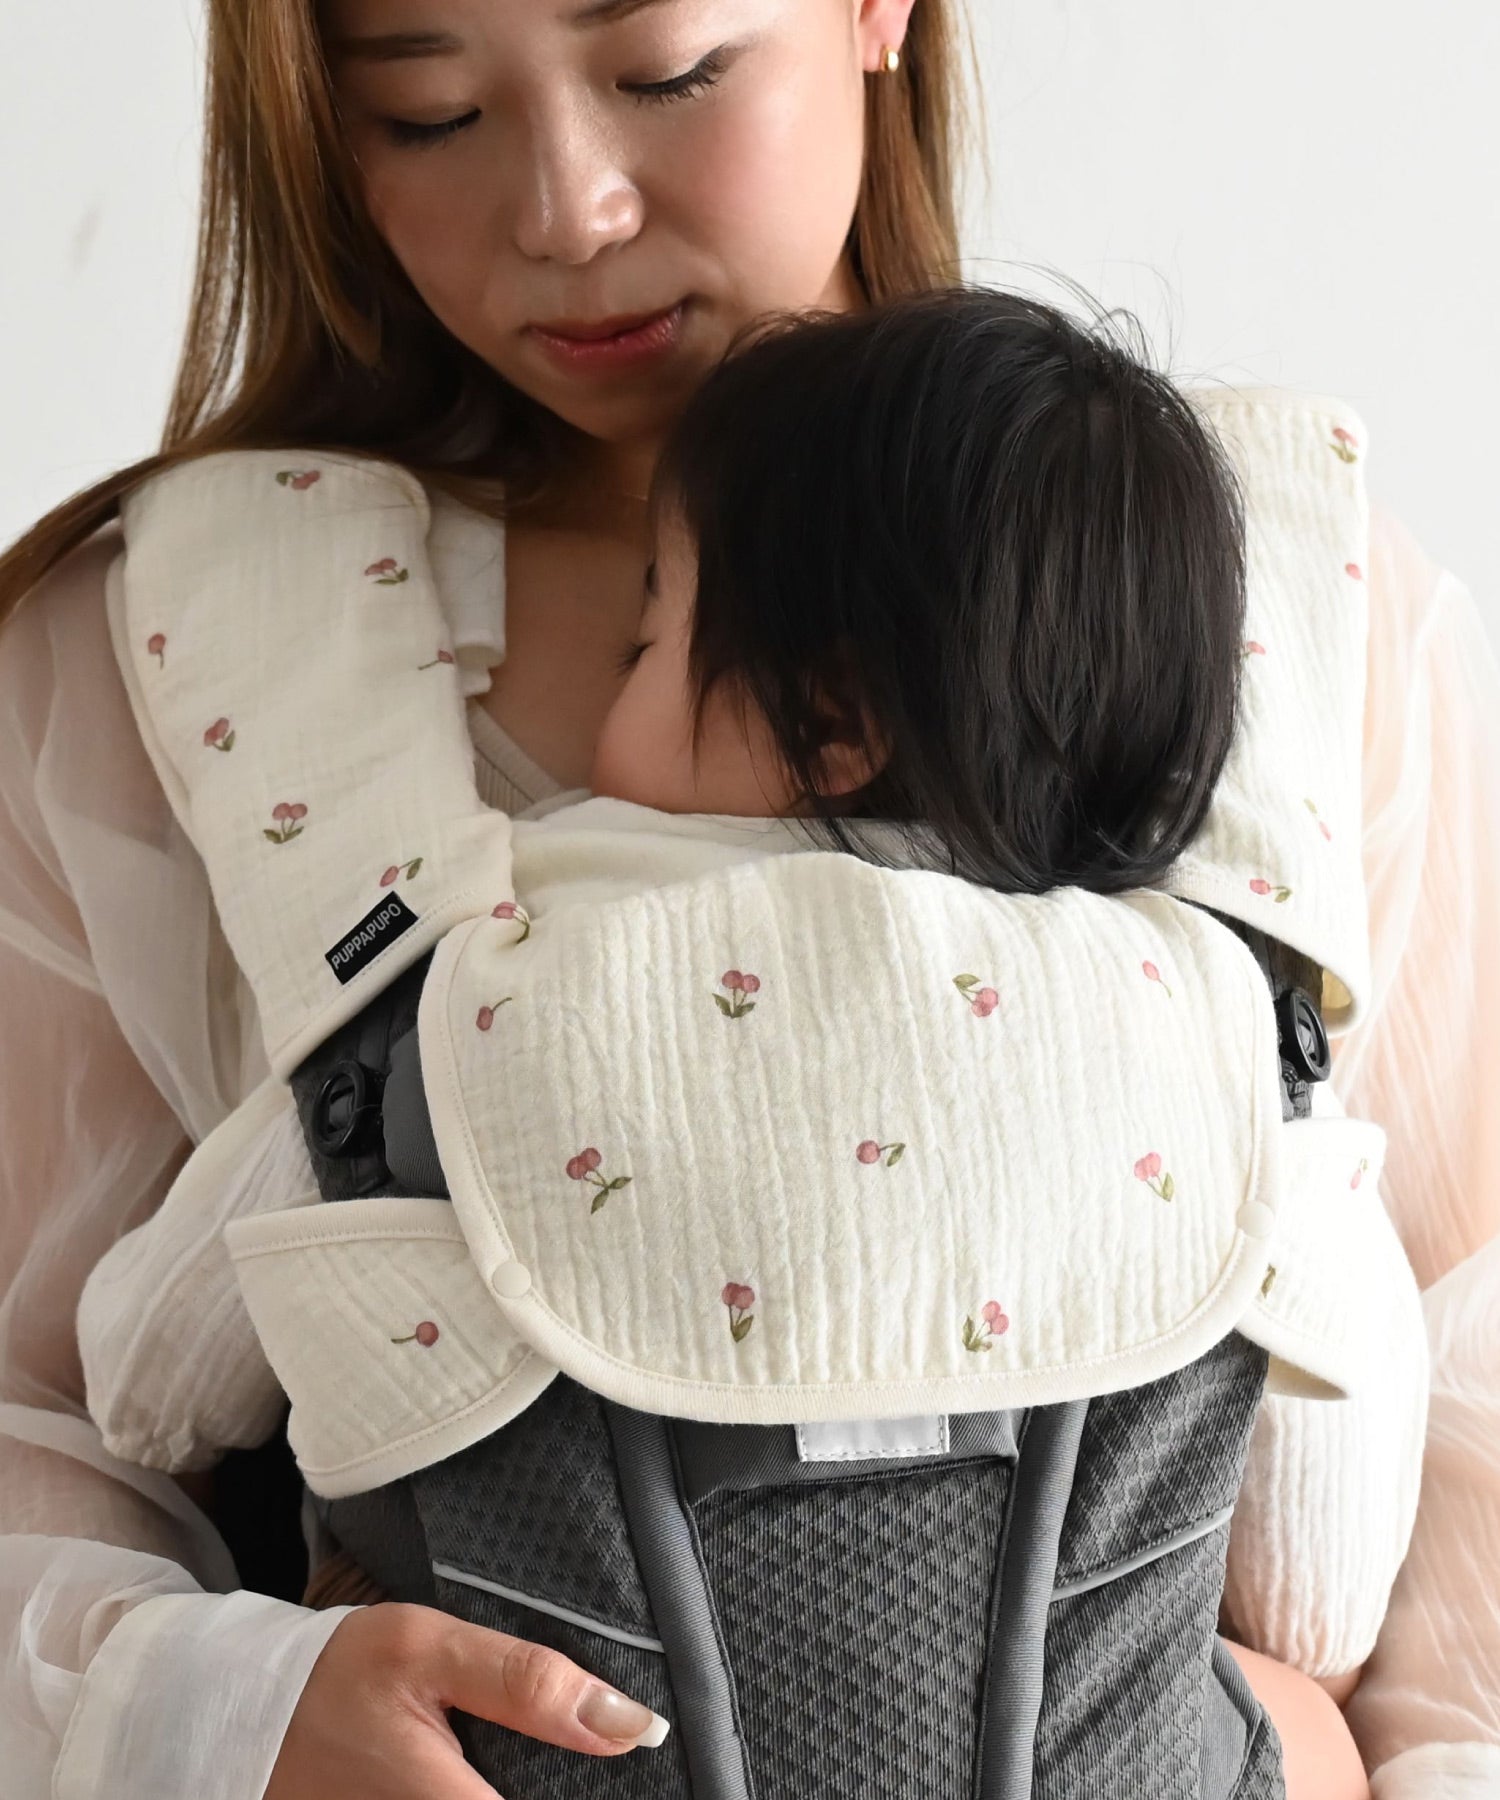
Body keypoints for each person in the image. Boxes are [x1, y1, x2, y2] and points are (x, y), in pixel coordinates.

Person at [0, 4, 1493, 1798]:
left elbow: (1456, 1409)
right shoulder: (166, 672)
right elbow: (52, 1422)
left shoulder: (1286, 634)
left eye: (669, 72)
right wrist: (222, 1714)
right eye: (427, 109)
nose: (566, 212)